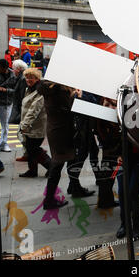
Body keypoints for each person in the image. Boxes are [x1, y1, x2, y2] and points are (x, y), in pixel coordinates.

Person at [37, 81, 92, 210]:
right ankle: (49, 200)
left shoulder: (49, 88)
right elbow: (70, 109)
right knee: (57, 165)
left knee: (72, 160)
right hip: (62, 132)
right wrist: (77, 96)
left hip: (56, 129)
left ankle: (75, 187)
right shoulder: (59, 91)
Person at [18, 68, 51, 178]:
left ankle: (51, 166)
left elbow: (34, 110)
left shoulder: (39, 91)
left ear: (37, 79)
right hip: (30, 125)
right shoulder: (30, 89)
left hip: (36, 126)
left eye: (31, 77)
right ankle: (32, 171)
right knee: (30, 148)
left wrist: (24, 125)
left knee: (33, 149)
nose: (28, 79)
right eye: (26, 77)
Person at [0, 59, 17, 152]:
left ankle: (3, 144)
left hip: (6, 103)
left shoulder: (13, 76)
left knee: (5, 125)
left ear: (4, 68)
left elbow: (16, 91)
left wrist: (5, 90)